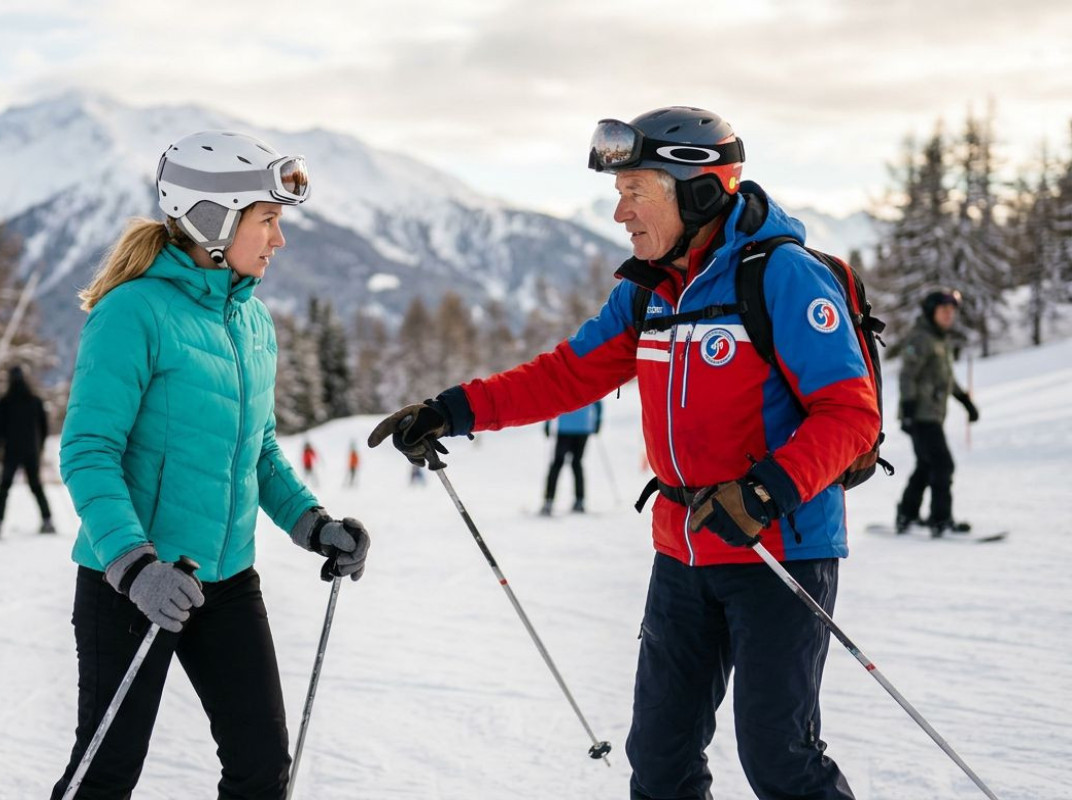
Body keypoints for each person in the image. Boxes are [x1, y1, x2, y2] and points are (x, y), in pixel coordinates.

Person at [370, 107, 877, 800]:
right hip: (684, 549)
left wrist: (765, 492)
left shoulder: (780, 276)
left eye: (636, 191)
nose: (621, 212)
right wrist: (451, 410)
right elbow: (565, 374)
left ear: (700, 190)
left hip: (777, 548)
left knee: (779, 757)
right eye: (618, 193)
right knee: (660, 758)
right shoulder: (648, 292)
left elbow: (850, 413)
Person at [52, 130, 371, 800]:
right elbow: (88, 451)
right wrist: (135, 566)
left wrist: (314, 525)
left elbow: (259, 450)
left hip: (225, 583)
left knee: (262, 769)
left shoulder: (252, 323)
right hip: (131, 584)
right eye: (268, 220)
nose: (280, 239)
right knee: (104, 775)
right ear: (214, 221)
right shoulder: (133, 312)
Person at [896, 288, 979, 536]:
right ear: (931, 311)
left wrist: (965, 401)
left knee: (925, 465)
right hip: (920, 415)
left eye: (952, 311)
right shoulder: (921, 338)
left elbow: (946, 379)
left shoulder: (940, 339)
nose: (949, 315)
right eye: (944, 310)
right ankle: (941, 520)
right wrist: (908, 409)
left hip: (932, 414)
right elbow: (907, 375)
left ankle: (907, 515)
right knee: (943, 465)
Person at [0, 365, 54, 537]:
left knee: (4, 488)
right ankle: (47, 520)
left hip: (11, 451)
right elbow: (44, 427)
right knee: (36, 487)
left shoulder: (5, 402)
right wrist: (40, 446)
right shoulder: (35, 400)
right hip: (31, 451)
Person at [540, 400, 602, 515]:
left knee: (558, 464)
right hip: (582, 427)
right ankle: (579, 501)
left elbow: (551, 400)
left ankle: (549, 501)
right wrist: (598, 421)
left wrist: (547, 423)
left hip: (566, 428)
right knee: (576, 464)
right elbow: (598, 402)